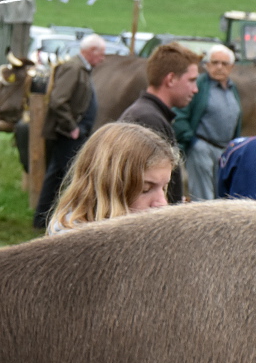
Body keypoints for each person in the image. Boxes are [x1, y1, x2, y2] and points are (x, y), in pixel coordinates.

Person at [46, 122, 180, 234]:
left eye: (163, 188)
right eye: (145, 189)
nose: (162, 203)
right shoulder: (74, 243)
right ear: (109, 186)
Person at [32, 34, 106, 228]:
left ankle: (43, 218)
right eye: (101, 54)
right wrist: (71, 126)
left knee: (57, 175)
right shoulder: (74, 68)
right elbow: (58, 100)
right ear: (91, 52)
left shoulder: (82, 68)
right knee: (68, 177)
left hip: (74, 133)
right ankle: (59, 219)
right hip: (67, 135)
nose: (103, 59)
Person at [118, 42, 199, 204]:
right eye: (191, 80)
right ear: (170, 79)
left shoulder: (150, 115)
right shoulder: (148, 121)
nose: (195, 89)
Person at [173, 45, 241, 200]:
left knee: (221, 194)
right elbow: (180, 114)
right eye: (215, 62)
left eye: (224, 64)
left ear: (231, 67)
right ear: (207, 65)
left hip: (224, 150)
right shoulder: (199, 85)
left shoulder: (232, 88)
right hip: (202, 147)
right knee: (202, 195)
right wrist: (192, 141)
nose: (219, 67)